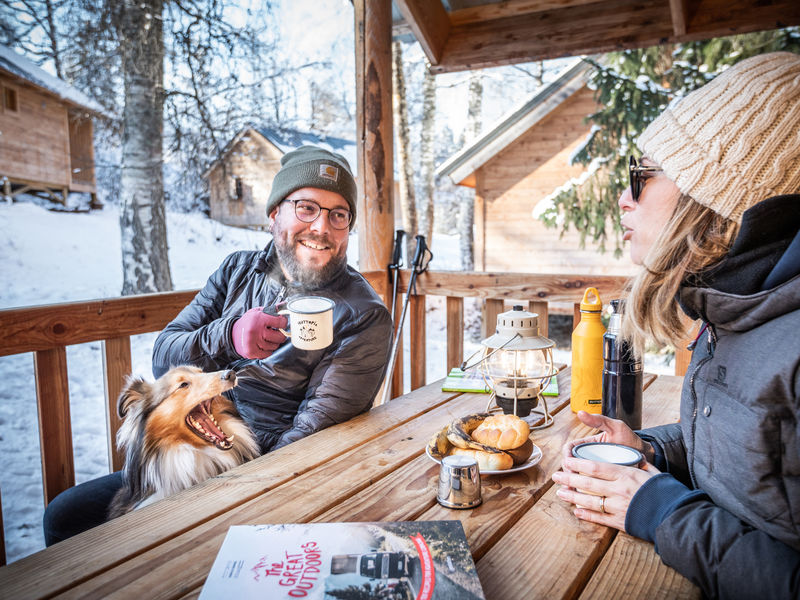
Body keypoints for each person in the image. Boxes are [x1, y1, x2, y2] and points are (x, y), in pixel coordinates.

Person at [43, 145, 393, 544]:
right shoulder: (236, 270)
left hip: (264, 472)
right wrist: (228, 336)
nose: (322, 227)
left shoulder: (363, 315)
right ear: (274, 213)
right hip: (192, 450)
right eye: (307, 208)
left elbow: (311, 434)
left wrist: (236, 481)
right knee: (65, 517)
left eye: (338, 215)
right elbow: (164, 357)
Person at [550, 52, 800, 599]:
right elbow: (750, 459)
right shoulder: (736, 305)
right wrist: (652, 450)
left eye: (641, 176)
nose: (623, 199)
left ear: (717, 192)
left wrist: (661, 511)